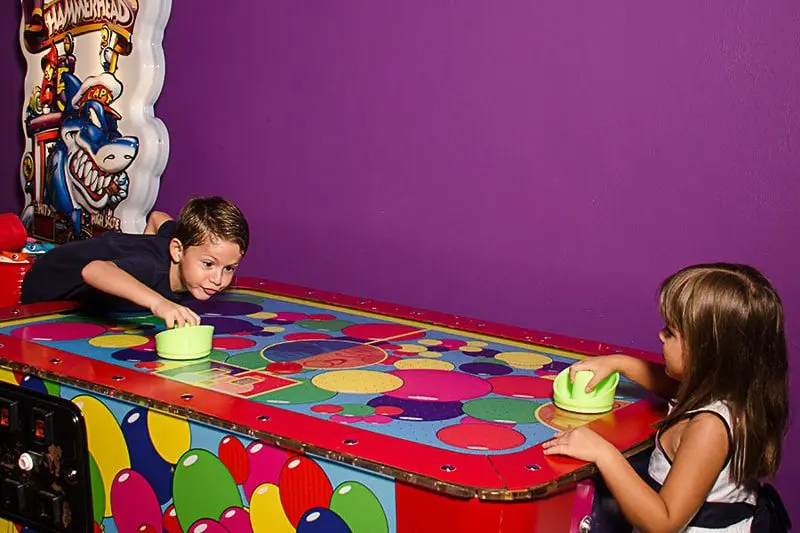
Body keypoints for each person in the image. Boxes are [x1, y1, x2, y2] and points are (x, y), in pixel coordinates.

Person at [543, 263, 790, 532]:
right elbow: (668, 385)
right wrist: (618, 363)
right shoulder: (728, 390)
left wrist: (603, 453)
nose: (661, 335)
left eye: (671, 333)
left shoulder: (709, 428)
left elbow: (664, 522)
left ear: (708, 354)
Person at [21, 196, 249, 328]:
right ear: (178, 251)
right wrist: (158, 302)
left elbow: (158, 217)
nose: (218, 279)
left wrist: (142, 242)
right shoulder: (150, 267)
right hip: (44, 286)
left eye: (228, 268)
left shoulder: (180, 240)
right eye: (208, 264)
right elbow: (94, 270)